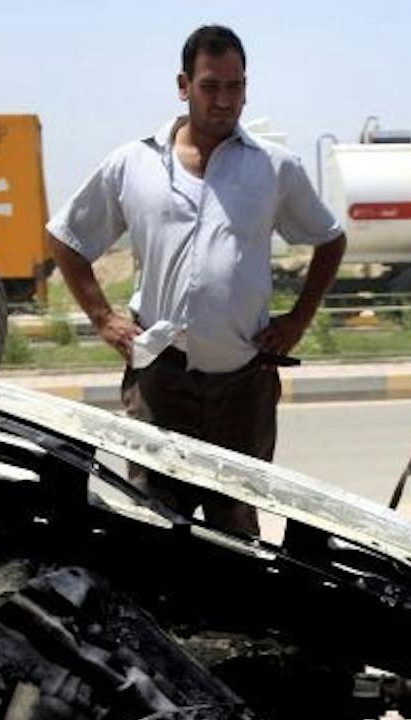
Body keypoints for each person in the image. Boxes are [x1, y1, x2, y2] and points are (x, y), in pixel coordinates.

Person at [46, 24, 346, 537]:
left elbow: (329, 238)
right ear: (184, 86)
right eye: (211, 86)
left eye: (235, 87)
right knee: (156, 522)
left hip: (244, 385)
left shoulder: (275, 169)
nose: (224, 100)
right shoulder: (134, 164)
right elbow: (67, 237)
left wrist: (298, 319)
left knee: (237, 529)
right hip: (161, 381)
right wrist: (103, 318)